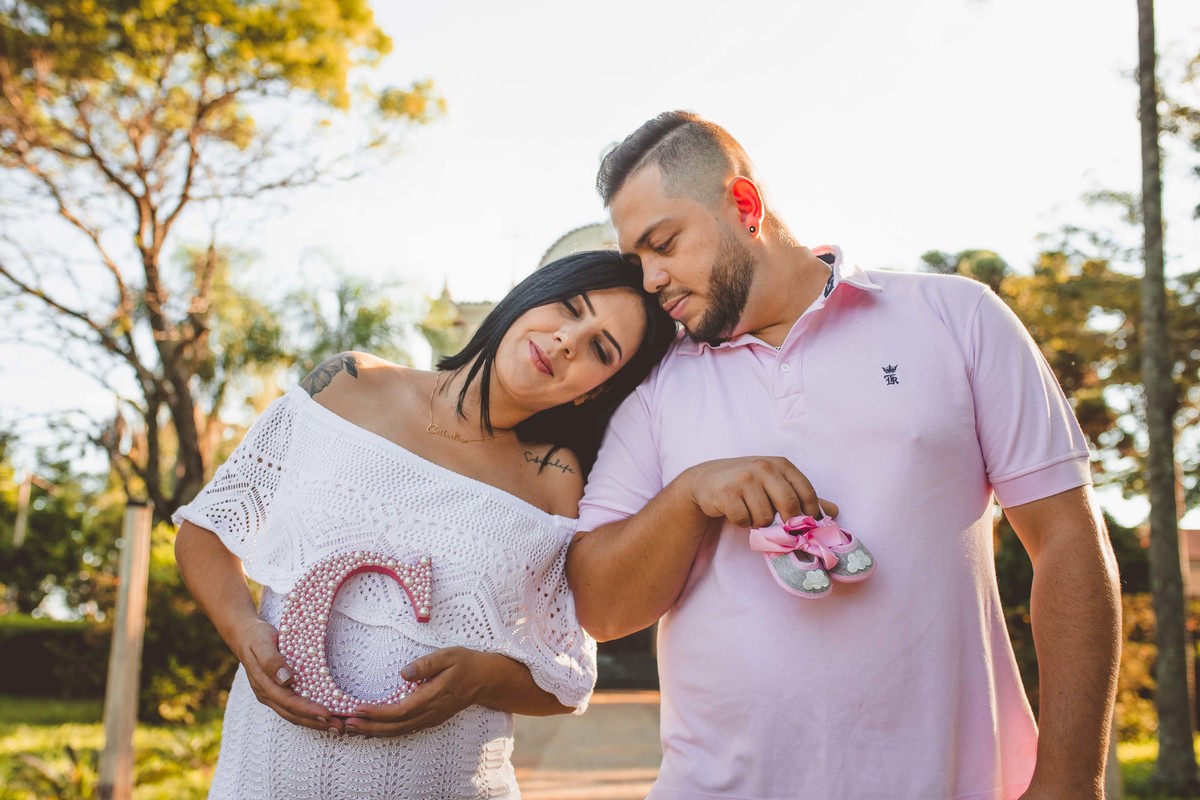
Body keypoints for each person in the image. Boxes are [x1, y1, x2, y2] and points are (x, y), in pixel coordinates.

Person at [566, 111, 1121, 799]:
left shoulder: (959, 318)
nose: (651, 279)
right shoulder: (653, 387)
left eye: (664, 244)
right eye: (638, 262)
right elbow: (600, 608)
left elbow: (1068, 541)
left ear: (744, 205)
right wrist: (687, 497)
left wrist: (1071, 779)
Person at [173, 250, 676, 800]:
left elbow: (565, 678)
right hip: (259, 782)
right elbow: (207, 529)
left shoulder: (557, 481)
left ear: (598, 389)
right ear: (531, 295)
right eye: (570, 307)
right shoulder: (347, 384)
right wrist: (244, 631)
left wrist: (482, 679)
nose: (566, 341)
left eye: (601, 349)